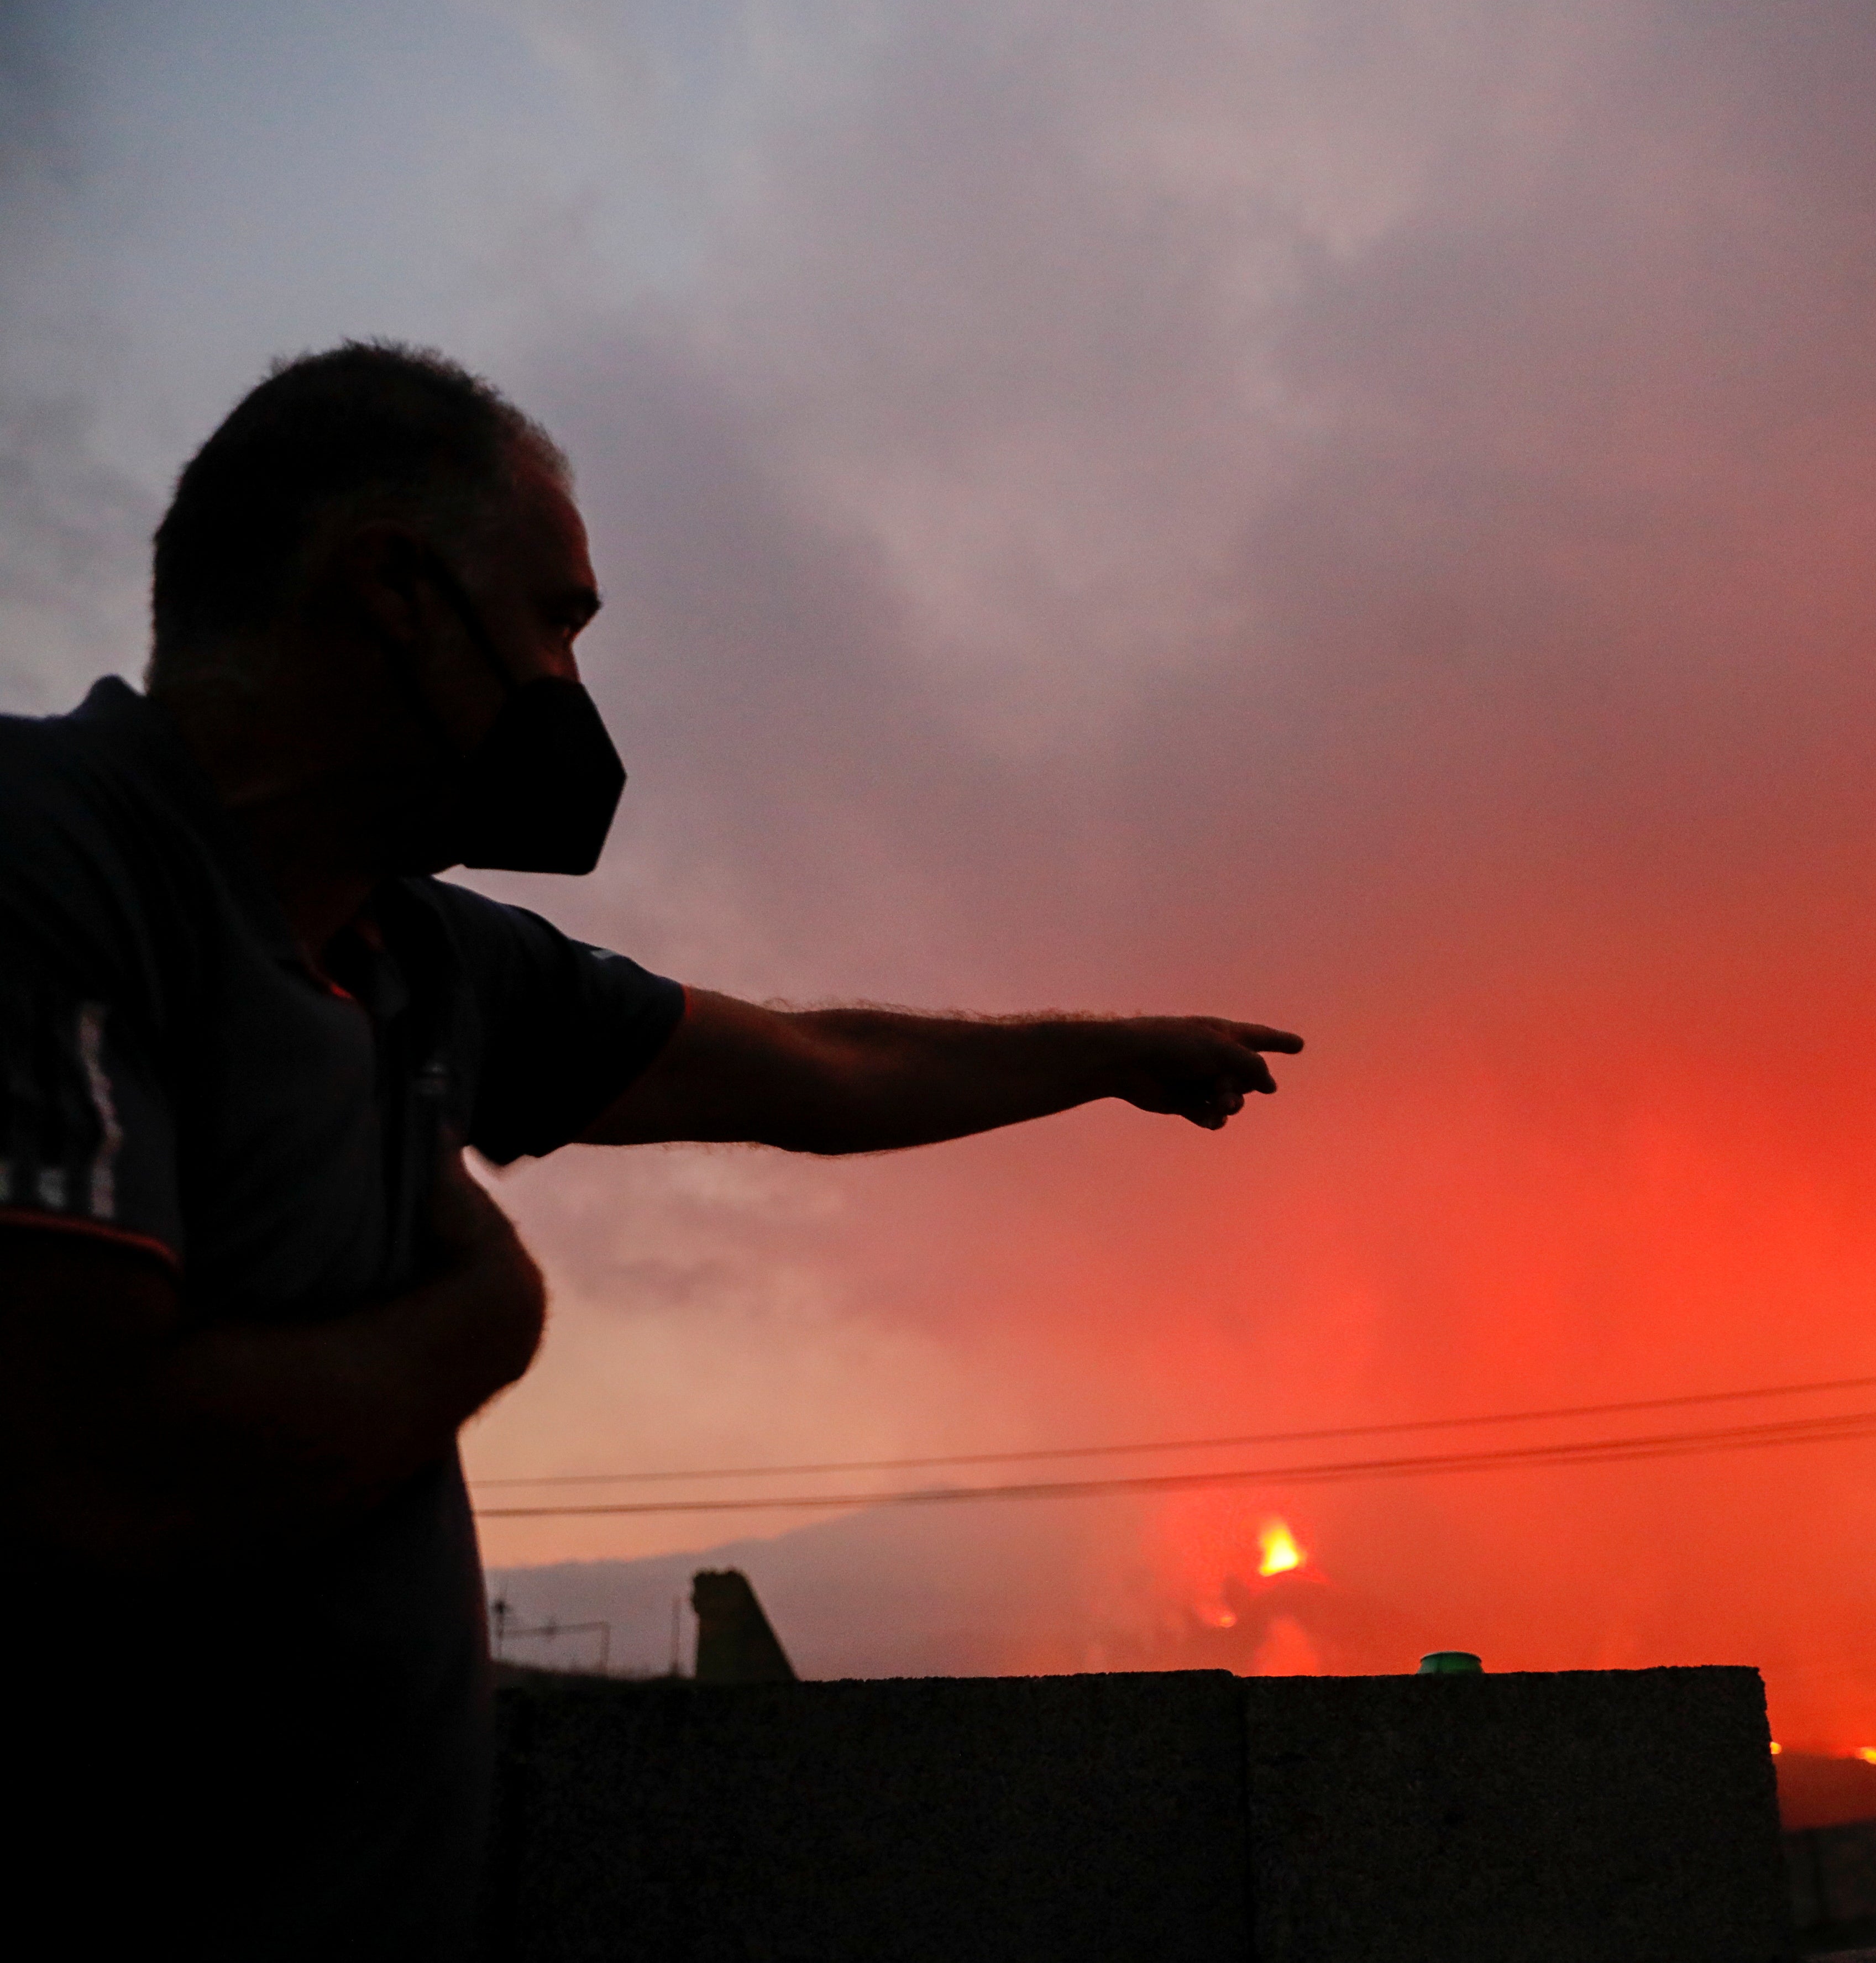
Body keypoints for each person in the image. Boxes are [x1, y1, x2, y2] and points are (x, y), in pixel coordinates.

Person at [0, 342, 1303, 1957]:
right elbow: (93, 1461)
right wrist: (483, 1324)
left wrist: (1107, 1055)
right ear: (396, 590)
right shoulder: (47, 857)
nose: (569, 683)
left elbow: (814, 1065)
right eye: (553, 619)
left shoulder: (427, 961)